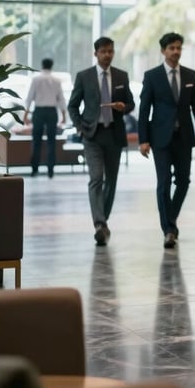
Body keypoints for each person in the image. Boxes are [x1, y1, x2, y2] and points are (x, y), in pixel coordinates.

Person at [138, 32, 195, 249]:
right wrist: (143, 139)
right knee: (164, 182)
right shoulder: (152, 76)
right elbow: (144, 110)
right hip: (160, 138)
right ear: (163, 51)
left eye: (179, 48)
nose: (176, 51)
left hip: (184, 137)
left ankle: (171, 218)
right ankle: (168, 230)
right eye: (172, 48)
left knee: (184, 181)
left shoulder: (190, 75)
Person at [68, 37, 134, 247]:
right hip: (93, 135)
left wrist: (123, 107)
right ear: (95, 53)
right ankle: (99, 224)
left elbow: (131, 103)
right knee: (96, 178)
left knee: (111, 181)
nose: (107, 55)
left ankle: (102, 220)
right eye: (104, 51)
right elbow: (72, 105)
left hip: (114, 133)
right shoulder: (84, 76)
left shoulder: (121, 76)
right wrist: (80, 127)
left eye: (110, 51)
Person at [24, 58, 67, 178]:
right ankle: (50, 171)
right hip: (52, 111)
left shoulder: (36, 79)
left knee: (36, 141)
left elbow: (29, 98)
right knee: (51, 141)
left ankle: (34, 169)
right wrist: (64, 115)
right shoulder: (56, 80)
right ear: (51, 66)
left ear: (42, 65)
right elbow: (61, 99)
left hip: (39, 111)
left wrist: (25, 115)